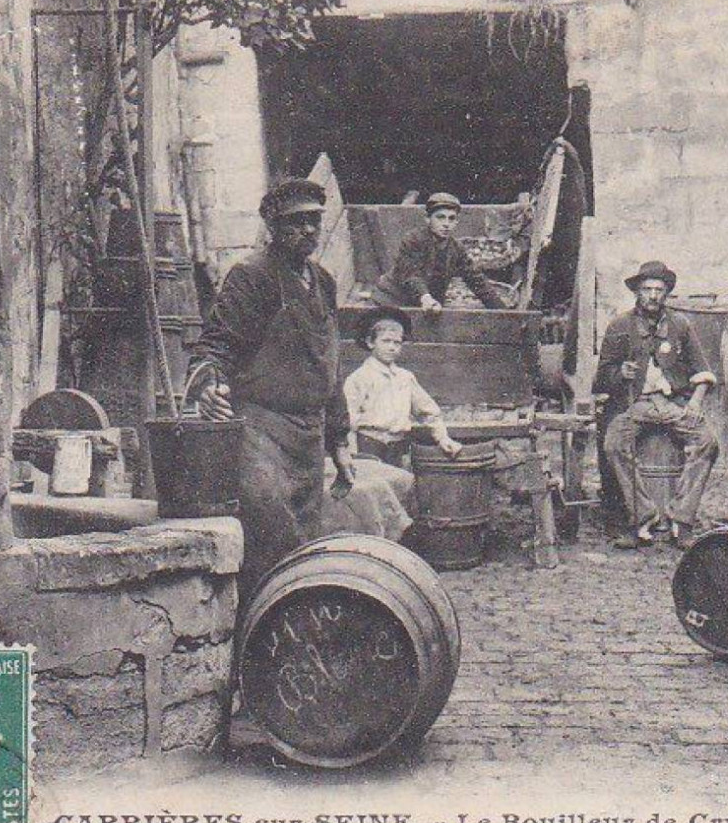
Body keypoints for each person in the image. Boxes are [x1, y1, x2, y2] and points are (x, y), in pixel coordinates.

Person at [190, 177, 356, 599]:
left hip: (308, 436)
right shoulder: (252, 276)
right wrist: (209, 383)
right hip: (260, 431)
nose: (307, 231)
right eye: (294, 222)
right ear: (272, 226)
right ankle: (251, 643)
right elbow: (216, 343)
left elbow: (330, 365)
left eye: (313, 222)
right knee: (268, 539)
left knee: (303, 544)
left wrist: (338, 438)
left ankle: (290, 643)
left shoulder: (324, 282)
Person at [596, 260, 720, 550]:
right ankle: (641, 517)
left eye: (659, 290)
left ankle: (682, 520)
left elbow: (702, 371)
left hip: (672, 403)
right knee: (613, 444)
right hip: (634, 404)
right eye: (647, 289)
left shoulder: (680, 325)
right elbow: (602, 378)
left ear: (667, 293)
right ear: (637, 293)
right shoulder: (619, 326)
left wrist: (696, 402)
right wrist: (619, 374)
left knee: (708, 442)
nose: (653, 295)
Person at [343, 308, 463, 467]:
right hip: (369, 447)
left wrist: (443, 438)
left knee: (402, 486)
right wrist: (352, 454)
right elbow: (348, 418)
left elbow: (429, 412)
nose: (392, 347)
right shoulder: (359, 378)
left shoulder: (405, 378)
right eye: (386, 341)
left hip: (399, 448)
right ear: (371, 342)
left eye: (397, 343)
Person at [374, 192, 506, 310]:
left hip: (428, 306)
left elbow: (476, 280)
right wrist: (426, 298)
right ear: (428, 219)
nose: (446, 224)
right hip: (393, 301)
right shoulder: (413, 240)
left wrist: (503, 311)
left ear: (456, 222)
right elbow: (411, 275)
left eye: (451, 218)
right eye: (440, 217)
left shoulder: (456, 248)